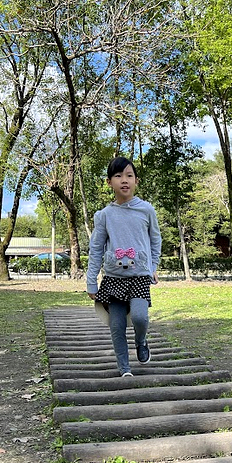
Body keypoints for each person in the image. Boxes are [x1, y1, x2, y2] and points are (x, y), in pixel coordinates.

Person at [86, 157, 162, 377]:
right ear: (109, 182)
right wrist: (92, 281)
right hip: (113, 278)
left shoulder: (146, 210)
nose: (124, 180)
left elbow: (155, 240)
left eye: (129, 175)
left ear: (136, 180)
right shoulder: (104, 215)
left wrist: (153, 265)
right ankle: (124, 369)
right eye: (118, 176)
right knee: (117, 326)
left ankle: (141, 341)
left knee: (140, 317)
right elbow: (96, 248)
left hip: (139, 276)